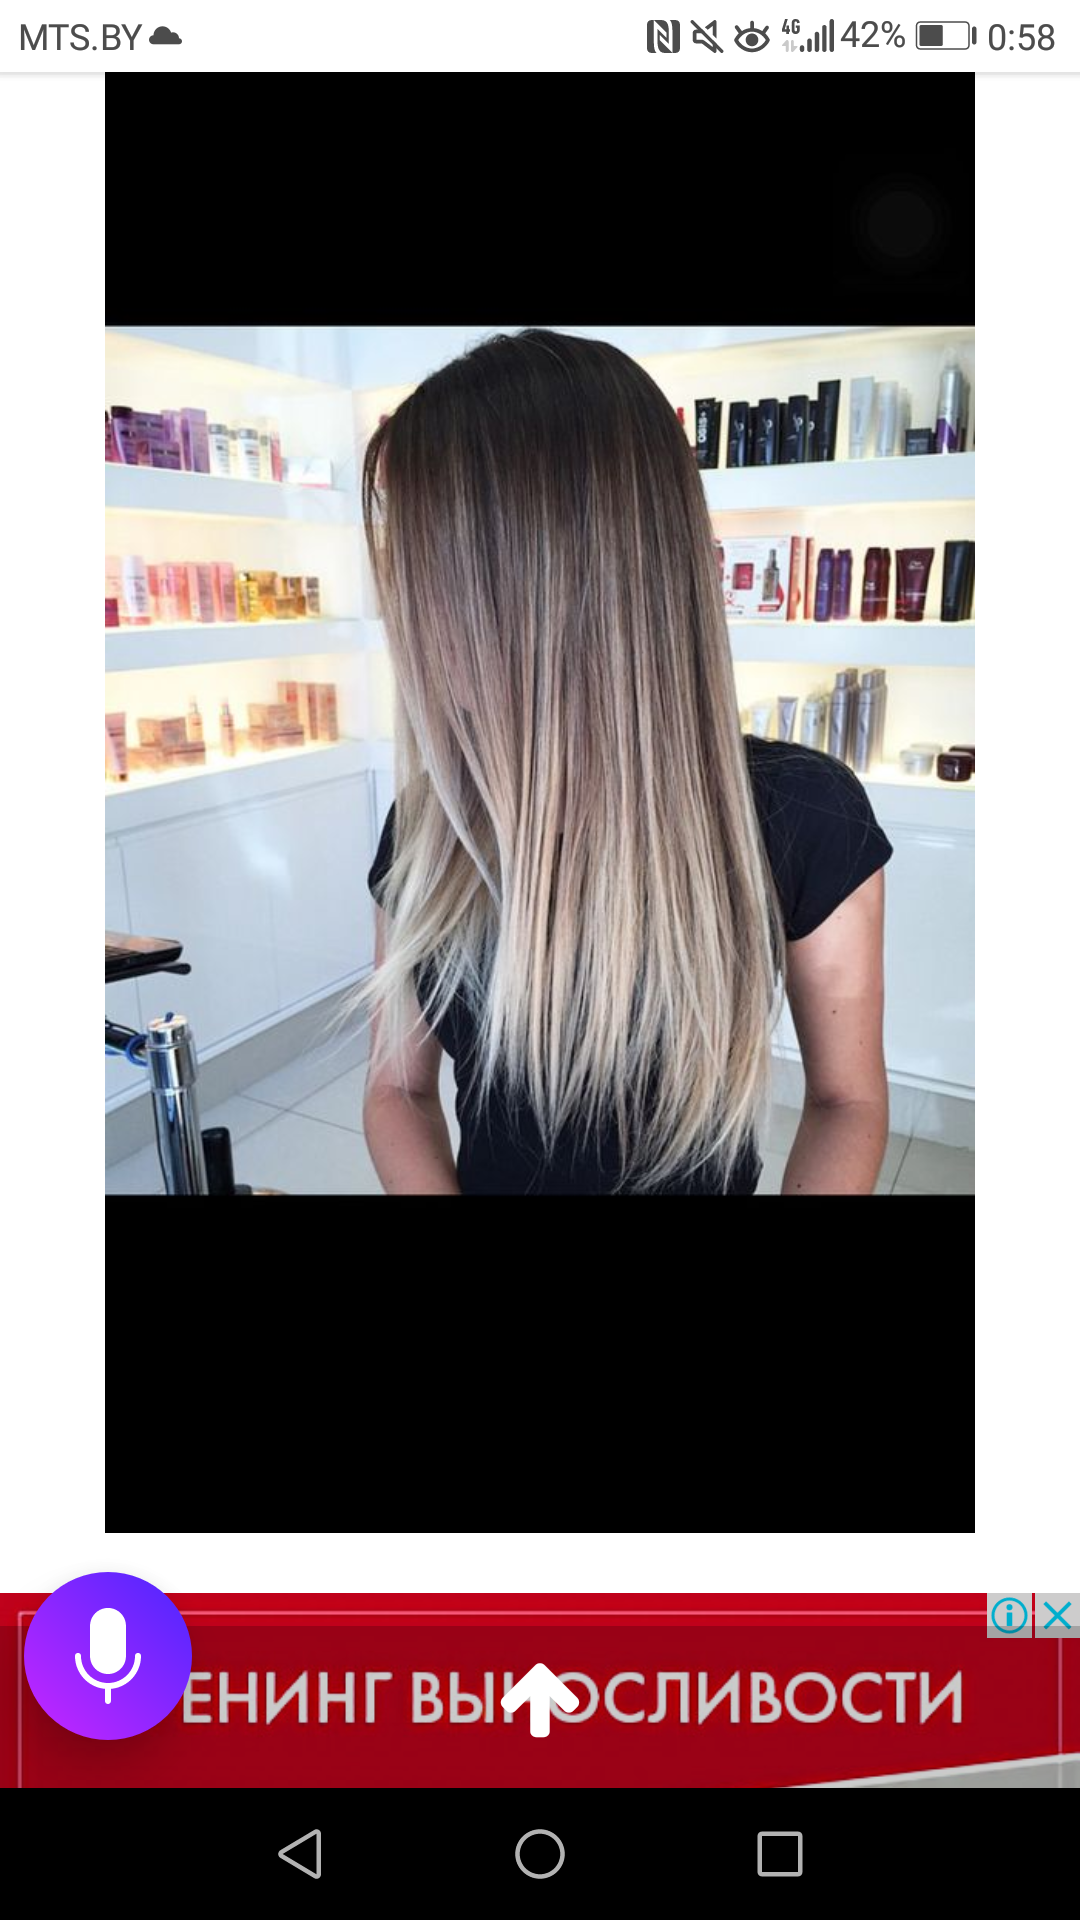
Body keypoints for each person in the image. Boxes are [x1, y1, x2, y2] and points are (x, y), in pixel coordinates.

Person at [356, 329, 892, 1195]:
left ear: (549, 585)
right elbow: (396, 1089)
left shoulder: (803, 815)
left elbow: (846, 1102)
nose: (405, 619)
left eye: (429, 574)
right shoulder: (430, 828)